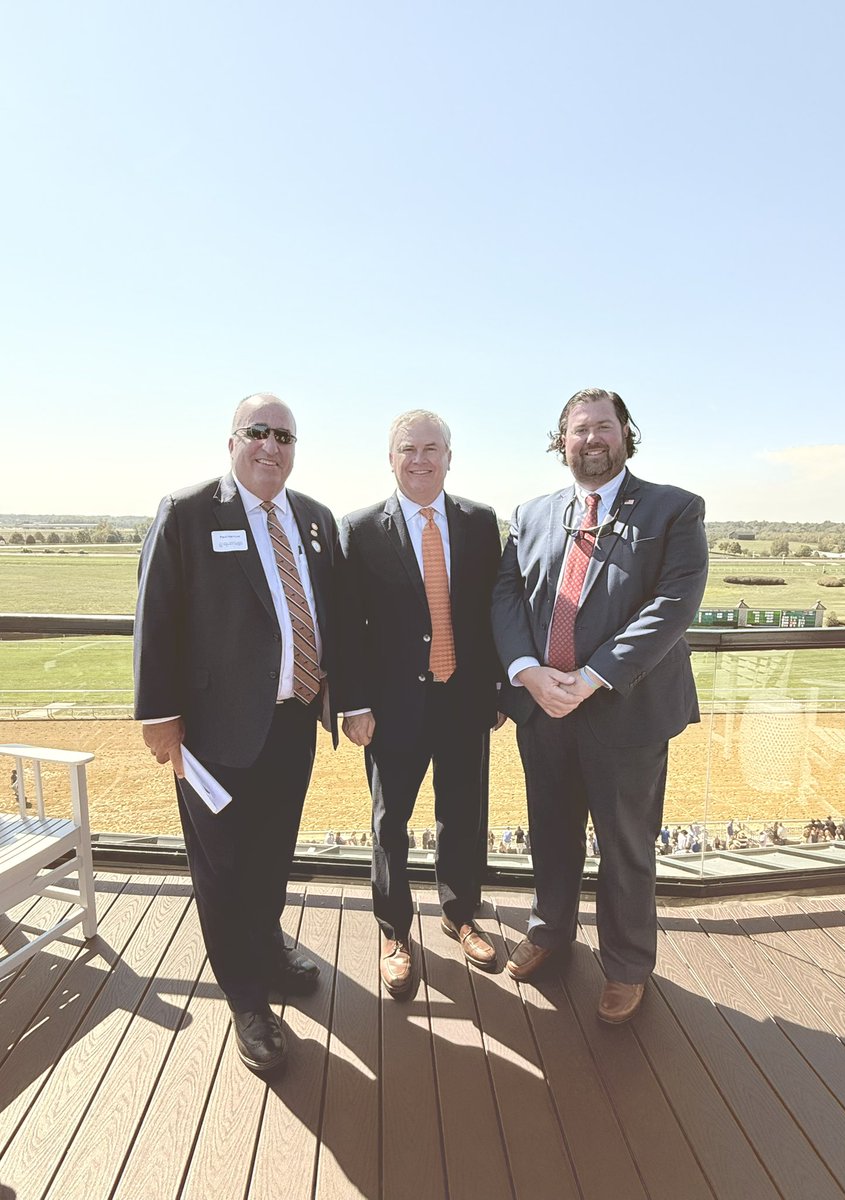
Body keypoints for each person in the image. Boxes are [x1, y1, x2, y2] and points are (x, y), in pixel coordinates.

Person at [134, 392, 340, 1073]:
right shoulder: (189, 513)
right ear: (232, 442)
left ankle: (267, 945)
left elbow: (329, 612)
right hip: (214, 732)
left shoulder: (312, 518)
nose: (271, 446)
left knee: (275, 851)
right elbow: (155, 619)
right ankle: (248, 999)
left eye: (283, 435)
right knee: (223, 866)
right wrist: (159, 716)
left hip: (292, 722)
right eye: (257, 432)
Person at [491, 387, 708, 1024]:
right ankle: (549, 932)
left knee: (626, 846)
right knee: (551, 834)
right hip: (544, 710)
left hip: (625, 712)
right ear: (562, 441)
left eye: (604, 427)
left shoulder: (674, 509)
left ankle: (627, 965)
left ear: (625, 434)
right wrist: (527, 673)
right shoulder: (532, 514)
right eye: (579, 429)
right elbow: (507, 596)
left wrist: (592, 676)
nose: (592, 439)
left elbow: (673, 604)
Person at [339, 409, 503, 997]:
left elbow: (493, 615)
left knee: (463, 814)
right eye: (408, 449)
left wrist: (499, 689)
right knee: (391, 823)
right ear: (391, 459)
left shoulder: (481, 524)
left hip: (465, 702)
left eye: (432, 448)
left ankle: (460, 915)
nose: (420, 459)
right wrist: (355, 703)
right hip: (392, 709)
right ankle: (393, 932)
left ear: (449, 457)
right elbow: (347, 627)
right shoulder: (359, 529)